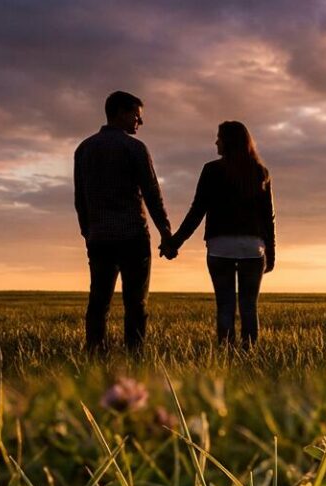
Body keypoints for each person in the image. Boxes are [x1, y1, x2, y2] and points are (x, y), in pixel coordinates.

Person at [73, 90, 173, 353]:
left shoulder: (84, 149)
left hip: (100, 238)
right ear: (120, 112)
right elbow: (152, 192)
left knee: (99, 301)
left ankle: (95, 354)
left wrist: (88, 232)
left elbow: (79, 198)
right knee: (136, 304)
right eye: (136, 117)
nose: (139, 123)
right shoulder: (135, 148)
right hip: (133, 237)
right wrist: (165, 231)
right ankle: (135, 355)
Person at [166, 121, 276, 348]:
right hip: (252, 248)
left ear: (229, 141)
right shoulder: (260, 173)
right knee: (249, 306)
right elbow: (268, 217)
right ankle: (248, 358)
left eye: (219, 137)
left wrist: (175, 242)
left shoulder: (212, 170)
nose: (216, 141)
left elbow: (197, 211)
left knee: (225, 305)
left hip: (220, 247)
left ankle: (225, 354)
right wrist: (271, 252)